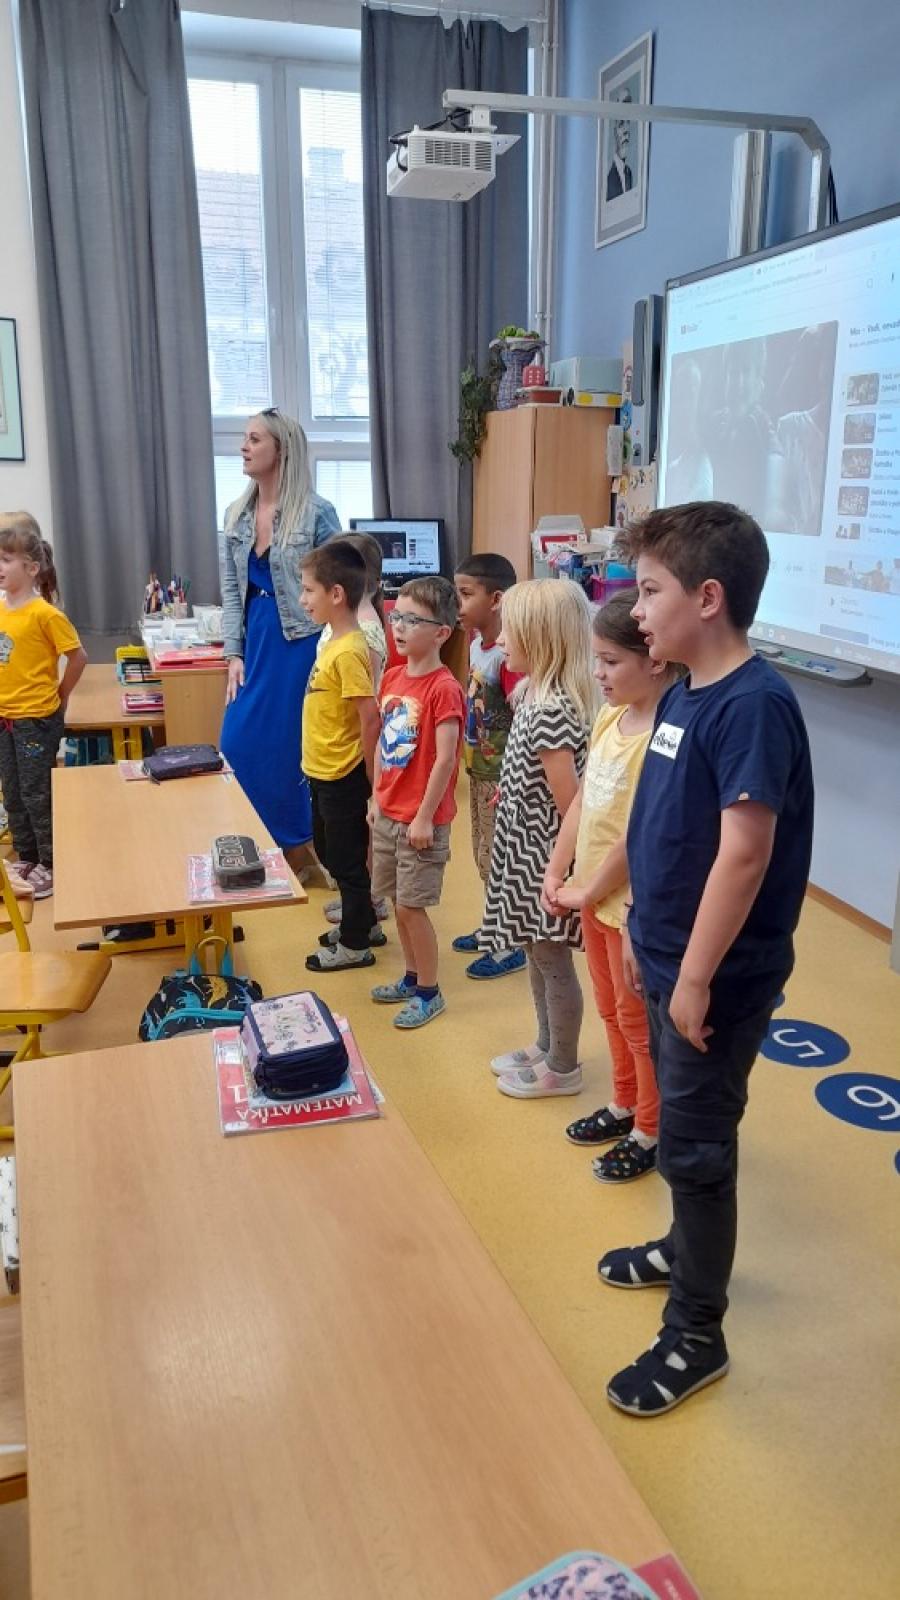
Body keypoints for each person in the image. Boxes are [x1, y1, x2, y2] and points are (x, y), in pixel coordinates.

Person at [598, 500, 814, 1417]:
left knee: (695, 1149)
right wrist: (638, 929)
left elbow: (744, 854)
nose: (637, 610)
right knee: (684, 1139)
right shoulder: (684, 689)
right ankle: (682, 1252)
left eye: (651, 591)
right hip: (664, 954)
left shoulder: (753, 705)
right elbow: (664, 827)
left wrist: (691, 978)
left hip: (715, 980)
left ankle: (697, 1332)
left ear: (709, 598)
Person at [543, 590, 678, 1182]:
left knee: (636, 1022)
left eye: (611, 662)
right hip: (592, 899)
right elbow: (581, 804)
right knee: (609, 1009)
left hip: (626, 907)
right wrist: (558, 869)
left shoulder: (664, 737)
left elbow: (638, 834)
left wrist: (588, 888)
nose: (598, 674)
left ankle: (650, 1128)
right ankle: (625, 1103)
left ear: (656, 660)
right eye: (595, 660)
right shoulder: (608, 717)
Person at [481, 580, 596, 1099]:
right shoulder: (532, 694)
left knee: (552, 961)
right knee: (535, 953)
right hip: (524, 847)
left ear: (542, 638)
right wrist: (511, 788)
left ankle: (563, 1067)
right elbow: (537, 774)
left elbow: (571, 803)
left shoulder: (551, 708)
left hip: (543, 857)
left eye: (512, 630)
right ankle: (547, 1044)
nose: (502, 639)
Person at [219, 409, 340, 874]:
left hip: (303, 640)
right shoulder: (236, 515)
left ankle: (299, 849)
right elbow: (232, 591)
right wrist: (233, 652)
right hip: (258, 637)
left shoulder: (316, 512)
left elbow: (344, 584)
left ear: (281, 449)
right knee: (238, 742)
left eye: (254, 439)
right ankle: (283, 843)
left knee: (294, 746)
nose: (244, 446)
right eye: (244, 438)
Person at [368, 577, 466, 1030]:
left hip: (420, 821)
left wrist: (424, 816)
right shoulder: (392, 676)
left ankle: (430, 991)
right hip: (388, 812)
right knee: (396, 900)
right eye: (397, 617)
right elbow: (381, 744)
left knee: (412, 907)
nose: (400, 627)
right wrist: (375, 796)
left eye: (412, 620)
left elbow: (446, 759)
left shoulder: (444, 688)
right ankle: (411, 977)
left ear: (441, 632)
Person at [299, 541, 381, 974]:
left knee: (346, 862)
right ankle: (362, 920)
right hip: (321, 770)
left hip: (343, 773)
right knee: (330, 851)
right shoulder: (334, 643)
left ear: (336, 594)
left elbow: (369, 717)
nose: (302, 599)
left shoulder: (350, 650)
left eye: (308, 590)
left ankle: (355, 944)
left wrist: (371, 778)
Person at [0, 513, 87, 900]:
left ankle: (51, 862)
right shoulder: (2, 609)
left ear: (32, 568)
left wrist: (62, 695)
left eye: (6, 560)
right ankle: (28, 856)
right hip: (6, 718)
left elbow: (78, 657)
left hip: (36, 719)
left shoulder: (46, 614)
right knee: (13, 792)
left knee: (37, 793)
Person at [451, 552, 525, 980]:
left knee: (499, 860)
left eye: (466, 594)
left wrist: (511, 778)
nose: (457, 604)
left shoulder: (508, 654)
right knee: (483, 855)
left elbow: (521, 719)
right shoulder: (476, 645)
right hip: (479, 770)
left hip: (501, 778)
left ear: (496, 599)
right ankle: (493, 925)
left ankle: (509, 942)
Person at [605, 87, 634, 200]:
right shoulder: (608, 179)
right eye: (621, 124)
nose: (626, 130)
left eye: (628, 122)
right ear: (614, 131)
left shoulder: (629, 173)